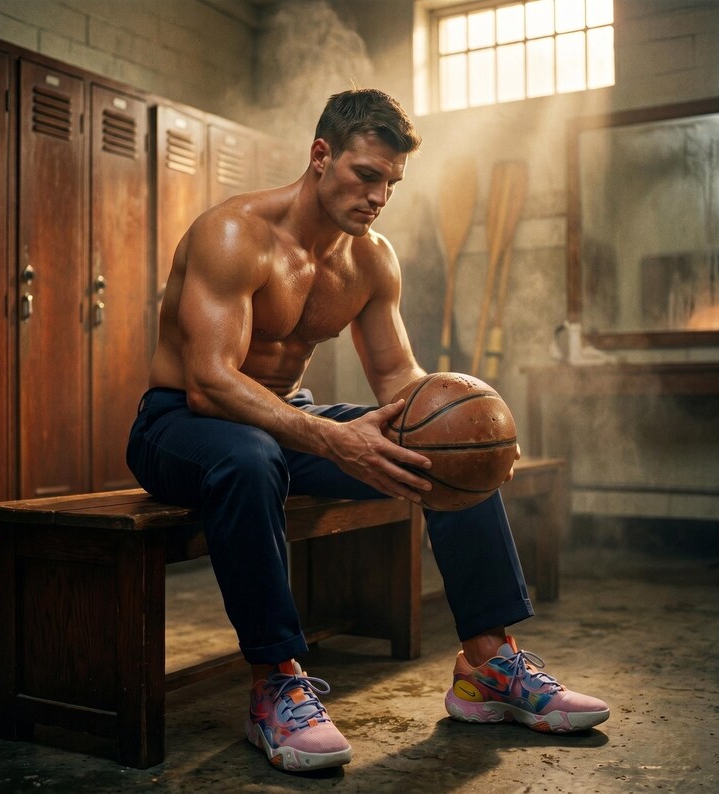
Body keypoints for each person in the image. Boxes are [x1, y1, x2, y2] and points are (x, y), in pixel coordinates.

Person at [127, 89, 609, 774]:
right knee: (251, 457)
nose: (379, 196)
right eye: (367, 175)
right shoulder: (235, 234)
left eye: (391, 183)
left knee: (441, 446)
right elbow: (209, 382)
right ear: (321, 157)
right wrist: (328, 437)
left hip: (284, 422)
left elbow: (397, 379)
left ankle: (487, 664)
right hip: (180, 424)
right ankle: (276, 685)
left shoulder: (369, 259)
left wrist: (479, 427)